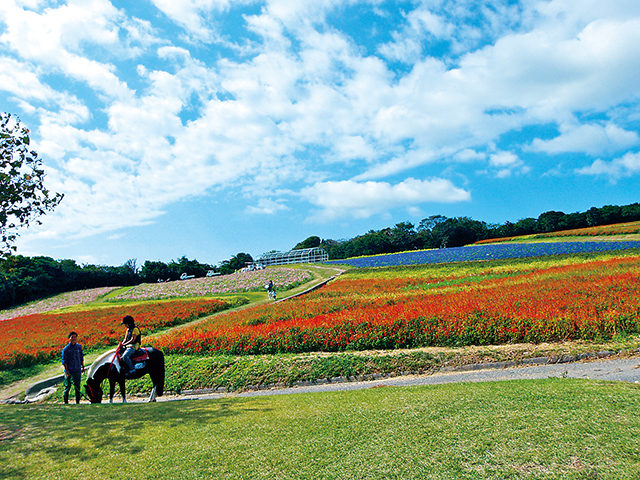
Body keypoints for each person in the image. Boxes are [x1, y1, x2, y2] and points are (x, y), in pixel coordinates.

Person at [61, 331, 84, 404]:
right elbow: (64, 362)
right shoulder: (66, 349)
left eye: (75, 337)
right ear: (69, 339)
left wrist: (83, 367)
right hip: (69, 371)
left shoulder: (78, 347)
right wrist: (67, 372)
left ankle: (78, 402)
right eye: (72, 337)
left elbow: (81, 357)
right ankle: (66, 402)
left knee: (77, 387)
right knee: (68, 387)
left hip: (77, 370)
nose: (74, 338)